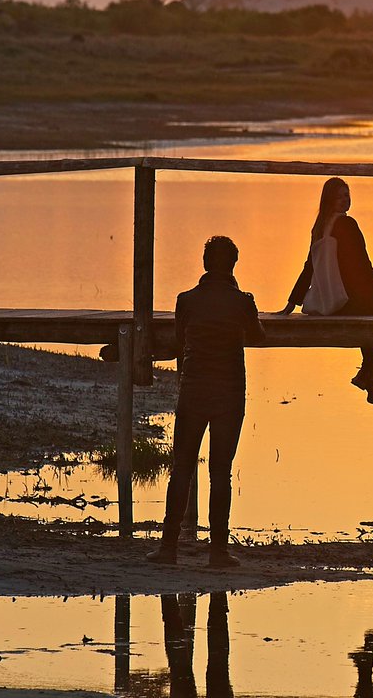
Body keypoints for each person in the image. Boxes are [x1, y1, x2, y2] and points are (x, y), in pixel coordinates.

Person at [147, 235, 264, 568]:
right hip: (228, 394)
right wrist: (249, 309)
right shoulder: (242, 302)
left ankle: (169, 548)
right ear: (233, 265)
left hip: (193, 393)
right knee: (220, 473)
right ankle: (218, 552)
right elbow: (258, 336)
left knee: (181, 468)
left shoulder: (187, 300)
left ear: (205, 264)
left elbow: (179, 339)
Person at [277, 177, 373, 404]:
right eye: (341, 196)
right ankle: (368, 372)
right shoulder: (347, 225)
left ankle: (369, 373)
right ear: (330, 200)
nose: (346, 200)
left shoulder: (320, 227)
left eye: (348, 195)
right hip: (348, 300)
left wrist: (292, 303)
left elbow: (309, 267)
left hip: (328, 303)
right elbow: (364, 266)